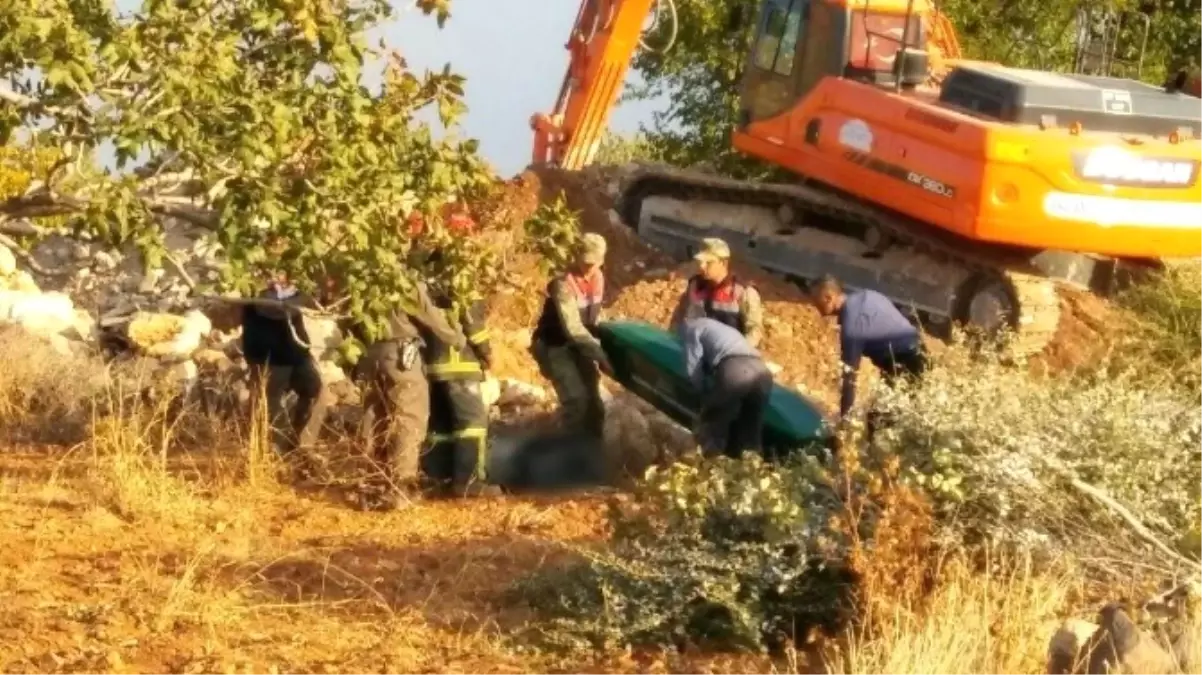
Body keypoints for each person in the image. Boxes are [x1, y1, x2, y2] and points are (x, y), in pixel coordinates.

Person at [354, 281, 466, 510]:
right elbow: (432, 318)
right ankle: (400, 489)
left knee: (373, 418)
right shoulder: (401, 280)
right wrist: (457, 337)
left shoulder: (359, 275)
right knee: (408, 419)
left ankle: (369, 487)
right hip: (399, 355)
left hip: (368, 354)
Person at [241, 272, 330, 474]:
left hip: (297, 354)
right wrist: (300, 299)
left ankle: (303, 445)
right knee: (269, 404)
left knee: (317, 391)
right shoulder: (254, 289)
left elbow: (315, 301)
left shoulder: (294, 290)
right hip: (267, 356)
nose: (280, 275)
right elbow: (272, 310)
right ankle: (277, 454)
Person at [807, 275, 926, 426]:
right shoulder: (868, 295)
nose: (814, 305)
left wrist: (844, 421)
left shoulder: (852, 327)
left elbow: (849, 378)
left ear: (828, 297)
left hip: (906, 363)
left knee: (879, 421)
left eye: (815, 301)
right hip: (918, 352)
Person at [530, 233, 613, 438]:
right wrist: (601, 356)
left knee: (595, 404)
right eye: (585, 262)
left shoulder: (598, 278)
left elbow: (593, 317)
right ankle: (568, 455)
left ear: (601, 260)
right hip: (555, 346)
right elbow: (573, 328)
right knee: (576, 402)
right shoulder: (564, 285)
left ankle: (593, 452)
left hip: (578, 346)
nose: (588, 268)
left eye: (593, 263)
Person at [421, 288, 498, 498]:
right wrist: (486, 351)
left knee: (441, 426)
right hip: (460, 363)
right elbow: (472, 322)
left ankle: (438, 480)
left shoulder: (423, 276)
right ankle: (469, 482)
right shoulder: (460, 277)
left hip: (432, 365)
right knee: (472, 425)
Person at [678, 310, 775, 459]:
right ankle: (751, 468)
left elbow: (693, 366)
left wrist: (701, 395)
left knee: (714, 422)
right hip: (763, 372)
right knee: (751, 428)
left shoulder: (691, 328)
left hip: (736, 370)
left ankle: (708, 465)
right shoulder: (721, 328)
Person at [668, 237, 764, 348]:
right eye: (701, 262)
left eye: (708, 262)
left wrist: (737, 352)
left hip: (726, 355)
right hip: (695, 352)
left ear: (723, 263)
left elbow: (755, 331)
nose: (702, 266)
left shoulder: (743, 292)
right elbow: (679, 317)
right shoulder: (695, 286)